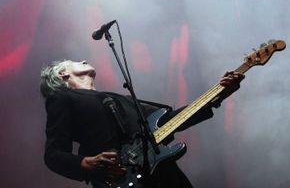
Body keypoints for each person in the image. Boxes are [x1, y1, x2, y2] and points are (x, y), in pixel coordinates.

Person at [40, 59, 244, 188]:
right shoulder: (61, 98)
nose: (83, 60)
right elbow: (53, 154)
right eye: (74, 61)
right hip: (119, 179)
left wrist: (218, 95)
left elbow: (170, 120)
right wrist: (85, 163)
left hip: (165, 175)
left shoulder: (119, 98)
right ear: (62, 74)